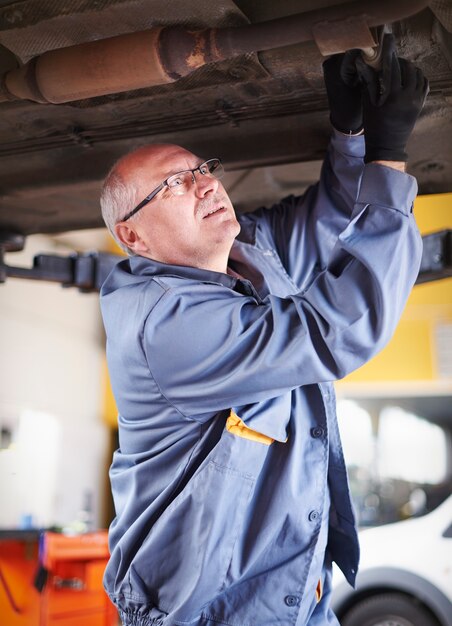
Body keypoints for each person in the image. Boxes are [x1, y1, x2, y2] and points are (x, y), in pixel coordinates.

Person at [99, 37, 428, 626]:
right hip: (206, 615)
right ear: (133, 238)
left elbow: (330, 219)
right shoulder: (162, 323)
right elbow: (338, 330)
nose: (205, 184)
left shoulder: (245, 256)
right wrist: (390, 152)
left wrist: (351, 135)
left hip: (294, 599)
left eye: (201, 168)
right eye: (173, 185)